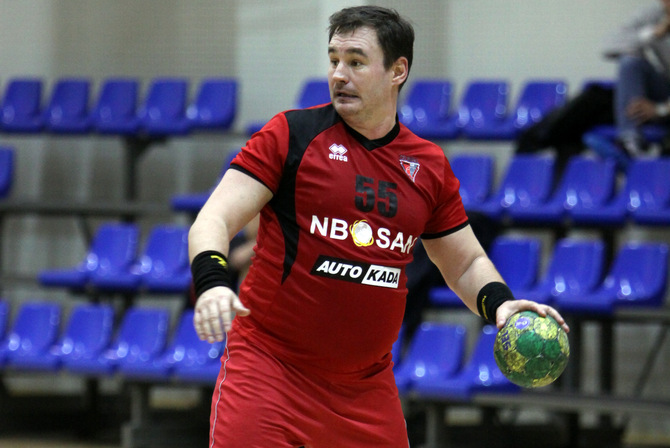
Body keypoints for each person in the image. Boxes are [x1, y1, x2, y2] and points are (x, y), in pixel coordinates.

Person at [188, 6, 569, 447]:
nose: (339, 74)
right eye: (334, 60)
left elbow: (464, 263)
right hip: (270, 371)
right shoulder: (291, 134)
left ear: (397, 71)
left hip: (364, 388)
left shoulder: (427, 166)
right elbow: (213, 218)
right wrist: (213, 283)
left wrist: (500, 305)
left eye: (356, 62)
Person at [598, 0, 670, 157]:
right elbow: (608, 45)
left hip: (665, 107)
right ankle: (630, 140)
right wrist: (654, 33)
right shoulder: (655, 14)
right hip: (664, 90)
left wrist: (659, 109)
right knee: (630, 61)